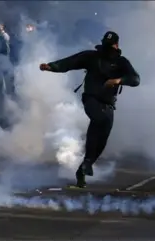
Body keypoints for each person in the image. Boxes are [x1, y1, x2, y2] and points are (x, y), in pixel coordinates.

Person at [39, 31, 140, 187]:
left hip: (108, 104)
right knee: (98, 120)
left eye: (110, 46)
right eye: (105, 46)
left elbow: (135, 79)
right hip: (91, 99)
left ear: (117, 45)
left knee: (102, 139)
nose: (108, 49)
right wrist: (51, 66)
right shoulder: (91, 57)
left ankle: (84, 167)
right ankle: (86, 163)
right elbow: (70, 62)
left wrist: (119, 80)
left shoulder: (121, 62)